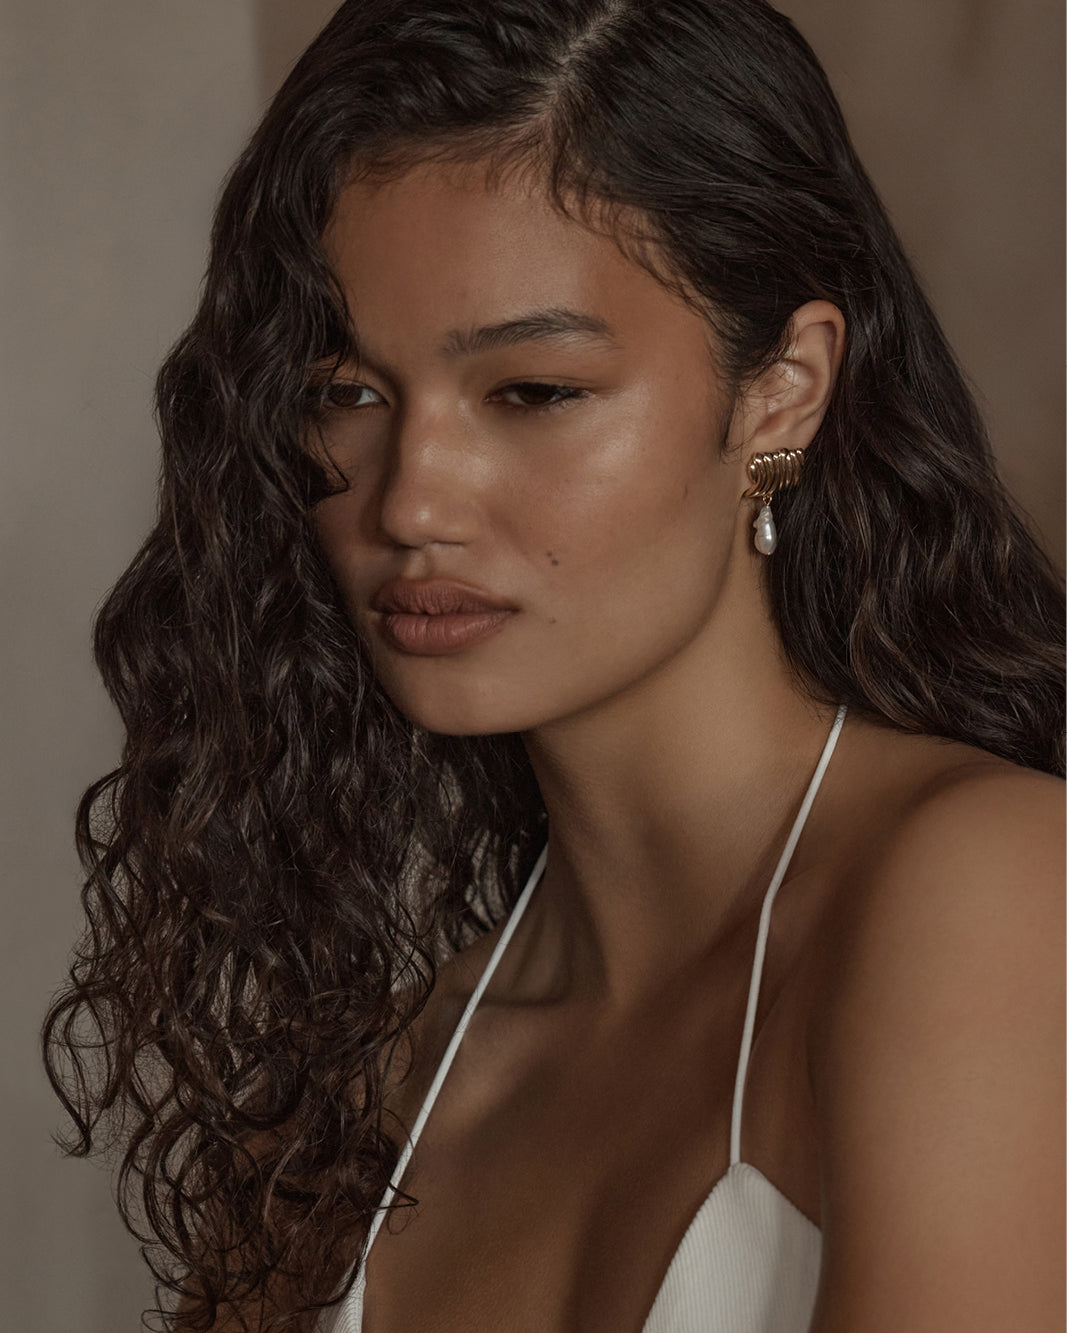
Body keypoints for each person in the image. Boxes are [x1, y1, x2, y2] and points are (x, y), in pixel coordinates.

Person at [43, 1, 1065, 1330]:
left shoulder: (990, 893)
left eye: (533, 392)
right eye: (345, 393)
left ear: (783, 390)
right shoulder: (364, 1097)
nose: (412, 500)